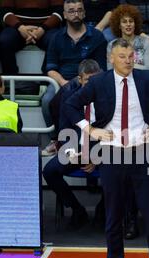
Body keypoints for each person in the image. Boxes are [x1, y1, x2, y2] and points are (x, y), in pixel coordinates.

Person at [65, 38, 149, 258]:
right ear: (111, 59)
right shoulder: (98, 82)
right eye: (123, 56)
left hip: (142, 154)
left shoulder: (148, 79)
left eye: (131, 56)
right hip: (113, 155)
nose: (128, 61)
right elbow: (70, 104)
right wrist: (90, 130)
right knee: (113, 218)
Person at [43, 59, 104, 228]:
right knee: (49, 171)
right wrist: (69, 152)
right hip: (76, 148)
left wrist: (96, 158)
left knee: (119, 168)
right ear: (80, 79)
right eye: (87, 81)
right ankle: (77, 209)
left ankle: (103, 208)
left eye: (95, 80)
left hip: (103, 150)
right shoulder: (69, 96)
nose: (92, 85)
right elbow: (64, 128)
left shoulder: (107, 95)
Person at [42, 0, 107, 156]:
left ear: (84, 13)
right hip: (62, 80)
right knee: (46, 100)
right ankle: (56, 139)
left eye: (79, 10)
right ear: (64, 15)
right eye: (71, 11)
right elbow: (50, 68)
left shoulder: (97, 37)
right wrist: (64, 82)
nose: (76, 14)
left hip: (90, 80)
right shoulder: (56, 37)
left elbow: (101, 68)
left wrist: (85, 80)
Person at [0, 0, 64, 76]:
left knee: (55, 39)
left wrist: (42, 29)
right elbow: (5, 12)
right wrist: (20, 27)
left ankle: (46, 81)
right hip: (18, 27)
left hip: (46, 28)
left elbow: (59, 12)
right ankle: (11, 80)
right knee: (5, 40)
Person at [107, 4, 149, 70]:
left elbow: (148, 68)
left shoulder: (145, 42)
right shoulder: (111, 45)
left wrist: (122, 66)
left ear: (135, 24)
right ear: (119, 26)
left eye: (131, 21)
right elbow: (110, 69)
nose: (128, 24)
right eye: (124, 22)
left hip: (140, 78)